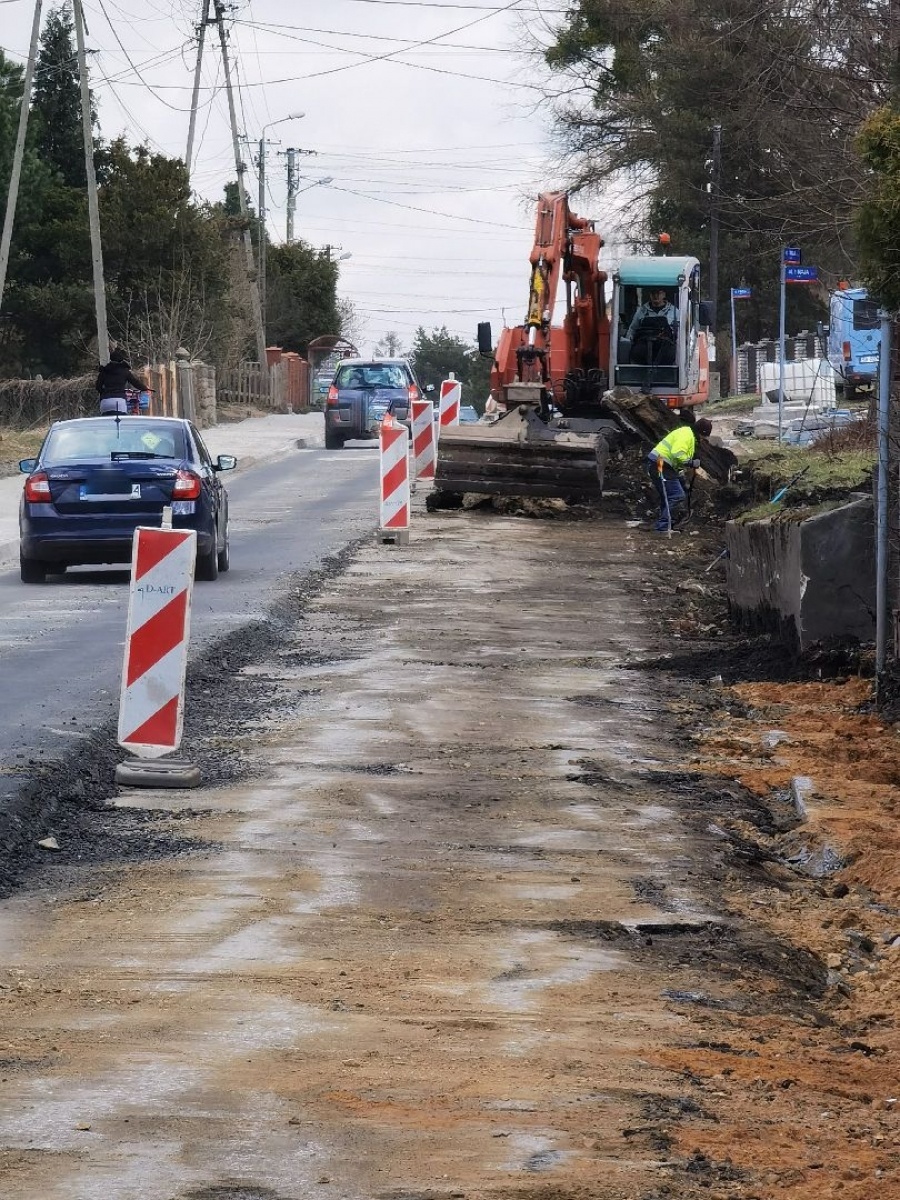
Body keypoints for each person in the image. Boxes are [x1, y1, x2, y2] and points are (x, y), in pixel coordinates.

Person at [646, 417, 713, 532]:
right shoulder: (687, 436)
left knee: (669, 495)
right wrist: (691, 462)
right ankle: (663, 527)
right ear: (702, 433)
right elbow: (677, 453)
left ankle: (667, 523)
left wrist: (680, 473)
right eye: (704, 437)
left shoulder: (687, 433)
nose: (702, 440)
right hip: (661, 464)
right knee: (677, 495)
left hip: (660, 464)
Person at [627, 288, 678, 365]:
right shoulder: (641, 311)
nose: (656, 296)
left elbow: (681, 332)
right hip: (643, 349)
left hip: (665, 350)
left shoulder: (674, 312)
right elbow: (632, 329)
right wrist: (628, 342)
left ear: (664, 294)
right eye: (653, 293)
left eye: (659, 293)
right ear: (650, 295)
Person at [96, 348, 148, 415]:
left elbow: (98, 387)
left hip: (106, 401)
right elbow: (135, 383)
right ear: (122, 360)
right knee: (121, 422)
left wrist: (105, 392)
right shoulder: (125, 371)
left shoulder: (104, 371)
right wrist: (145, 388)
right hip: (119, 401)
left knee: (107, 423)